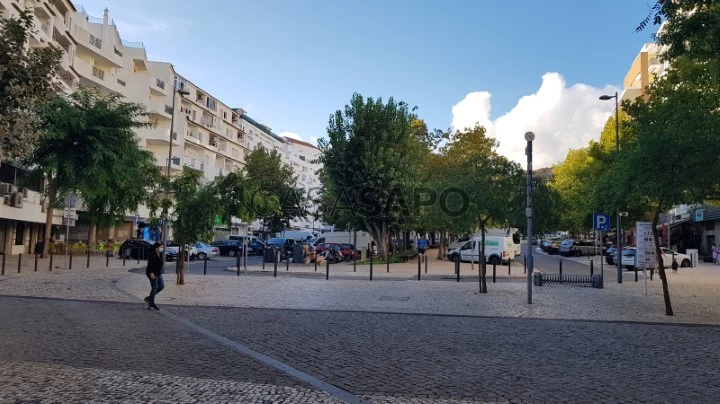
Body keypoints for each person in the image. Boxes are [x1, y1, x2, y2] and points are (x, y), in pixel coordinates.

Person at [144, 242, 164, 310]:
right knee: (154, 287)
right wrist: (152, 272)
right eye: (160, 247)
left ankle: (149, 298)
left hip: (158, 273)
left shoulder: (159, 254)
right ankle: (151, 304)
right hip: (152, 273)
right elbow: (150, 264)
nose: (161, 249)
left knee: (161, 286)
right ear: (156, 248)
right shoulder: (152, 254)